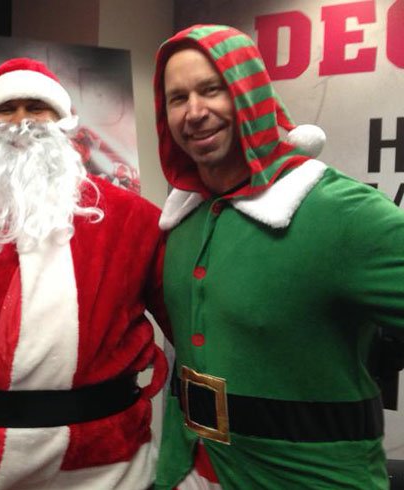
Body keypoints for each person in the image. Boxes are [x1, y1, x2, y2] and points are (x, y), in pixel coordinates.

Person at [0, 58, 169, 489]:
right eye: (6, 109)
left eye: (37, 107)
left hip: (104, 472)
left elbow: (195, 329)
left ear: (64, 124)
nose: (21, 122)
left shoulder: (135, 223)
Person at [152, 24, 404, 489]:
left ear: (250, 94)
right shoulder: (181, 220)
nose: (195, 112)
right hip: (188, 471)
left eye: (213, 90)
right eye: (177, 98)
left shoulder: (341, 213)